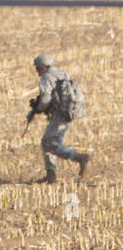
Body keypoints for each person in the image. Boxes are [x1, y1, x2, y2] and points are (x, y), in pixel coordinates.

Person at [28, 54, 90, 184]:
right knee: (48, 141)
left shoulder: (47, 77)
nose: (38, 72)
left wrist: (38, 108)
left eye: (38, 69)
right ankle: (51, 175)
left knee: (49, 143)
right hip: (70, 111)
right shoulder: (63, 74)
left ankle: (78, 157)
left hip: (61, 113)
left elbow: (46, 99)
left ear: (44, 67)